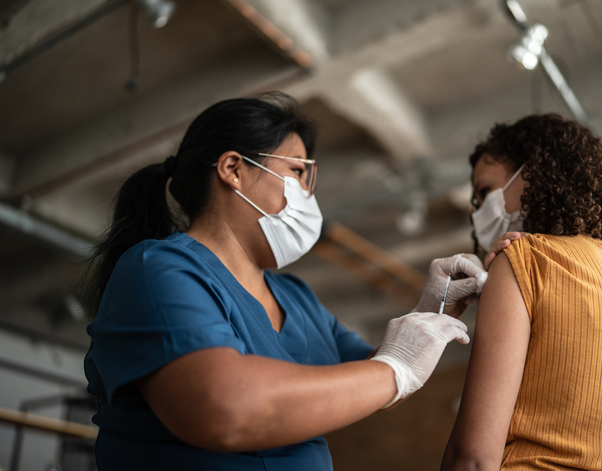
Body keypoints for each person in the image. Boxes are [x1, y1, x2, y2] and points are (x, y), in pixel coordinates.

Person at [81, 94, 485, 470]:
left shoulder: (296, 296)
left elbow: (374, 382)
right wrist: (394, 369)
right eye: (295, 171)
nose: (307, 196)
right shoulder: (158, 270)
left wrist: (430, 313)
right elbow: (223, 410)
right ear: (233, 169)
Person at [441, 114, 602, 470]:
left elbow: (471, 459)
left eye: (484, 191)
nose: (477, 211)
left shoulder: (523, 261)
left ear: (532, 172)